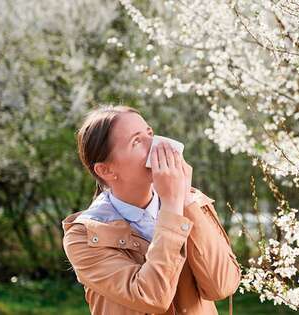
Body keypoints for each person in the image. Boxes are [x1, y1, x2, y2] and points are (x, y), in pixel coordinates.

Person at [61, 105, 241, 314]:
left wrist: (184, 201)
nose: (157, 145)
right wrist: (173, 208)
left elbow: (222, 286)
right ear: (106, 170)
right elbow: (152, 297)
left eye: (150, 133)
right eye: (137, 141)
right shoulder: (84, 236)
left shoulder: (193, 203)